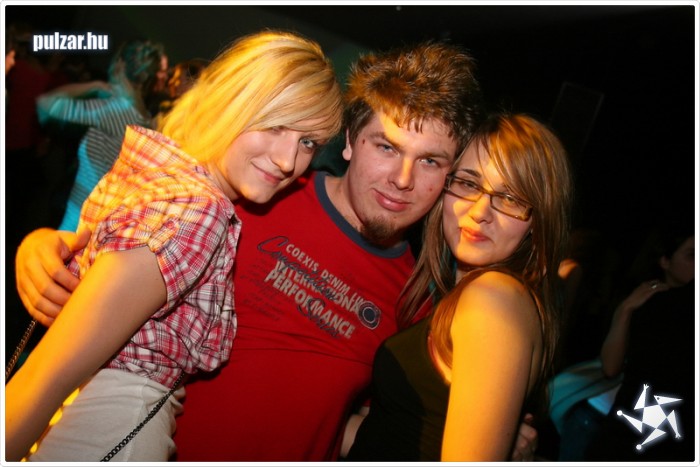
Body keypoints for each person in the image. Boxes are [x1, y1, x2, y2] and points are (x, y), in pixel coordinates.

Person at [14, 41, 538, 461]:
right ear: (350, 141)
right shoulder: (252, 197)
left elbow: (356, 428)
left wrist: (471, 428)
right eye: (386, 147)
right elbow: (134, 229)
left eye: (430, 162)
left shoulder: (418, 301)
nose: (403, 179)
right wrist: (44, 247)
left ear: (449, 176)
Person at [5, 30, 343, 462]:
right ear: (230, 101)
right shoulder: (198, 210)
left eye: (308, 142)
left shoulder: (165, 174)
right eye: (275, 124)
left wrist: (39, 242)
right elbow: (44, 378)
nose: (288, 160)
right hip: (112, 430)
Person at [344, 112, 573, 461]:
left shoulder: (493, 298)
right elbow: (394, 434)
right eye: (468, 183)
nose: (480, 211)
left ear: (537, 221)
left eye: (510, 198)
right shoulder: (461, 295)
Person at [584, 228, 695, 461]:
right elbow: (610, 366)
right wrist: (624, 310)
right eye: (692, 255)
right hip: (634, 429)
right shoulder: (642, 301)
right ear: (665, 261)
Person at [36, 39, 164, 233]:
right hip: (103, 221)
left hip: (79, 222)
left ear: (120, 64)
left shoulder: (113, 110)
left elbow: (46, 104)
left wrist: (93, 85)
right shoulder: (147, 118)